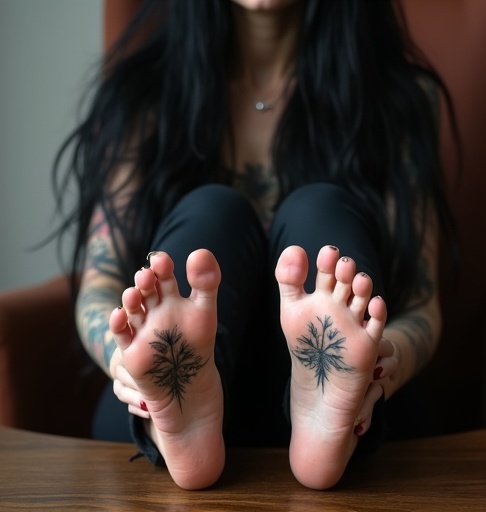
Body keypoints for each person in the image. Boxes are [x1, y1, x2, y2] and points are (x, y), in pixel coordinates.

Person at [53, 0, 455, 491]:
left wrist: (381, 363)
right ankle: (176, 413)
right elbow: (99, 285)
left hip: (362, 406)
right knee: (212, 214)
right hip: (170, 401)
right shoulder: (141, 98)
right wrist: (126, 365)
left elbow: (423, 304)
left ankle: (330, 414)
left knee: (318, 211)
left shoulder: (399, 100)